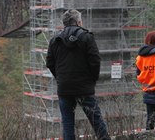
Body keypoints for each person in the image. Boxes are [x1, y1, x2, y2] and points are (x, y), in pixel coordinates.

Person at [46, 9, 110, 140]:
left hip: (64, 88)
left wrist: (60, 78)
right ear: (78, 22)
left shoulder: (55, 40)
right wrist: (92, 79)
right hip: (84, 87)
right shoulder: (86, 37)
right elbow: (95, 60)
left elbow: (50, 63)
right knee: (96, 120)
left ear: (64, 23)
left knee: (68, 124)